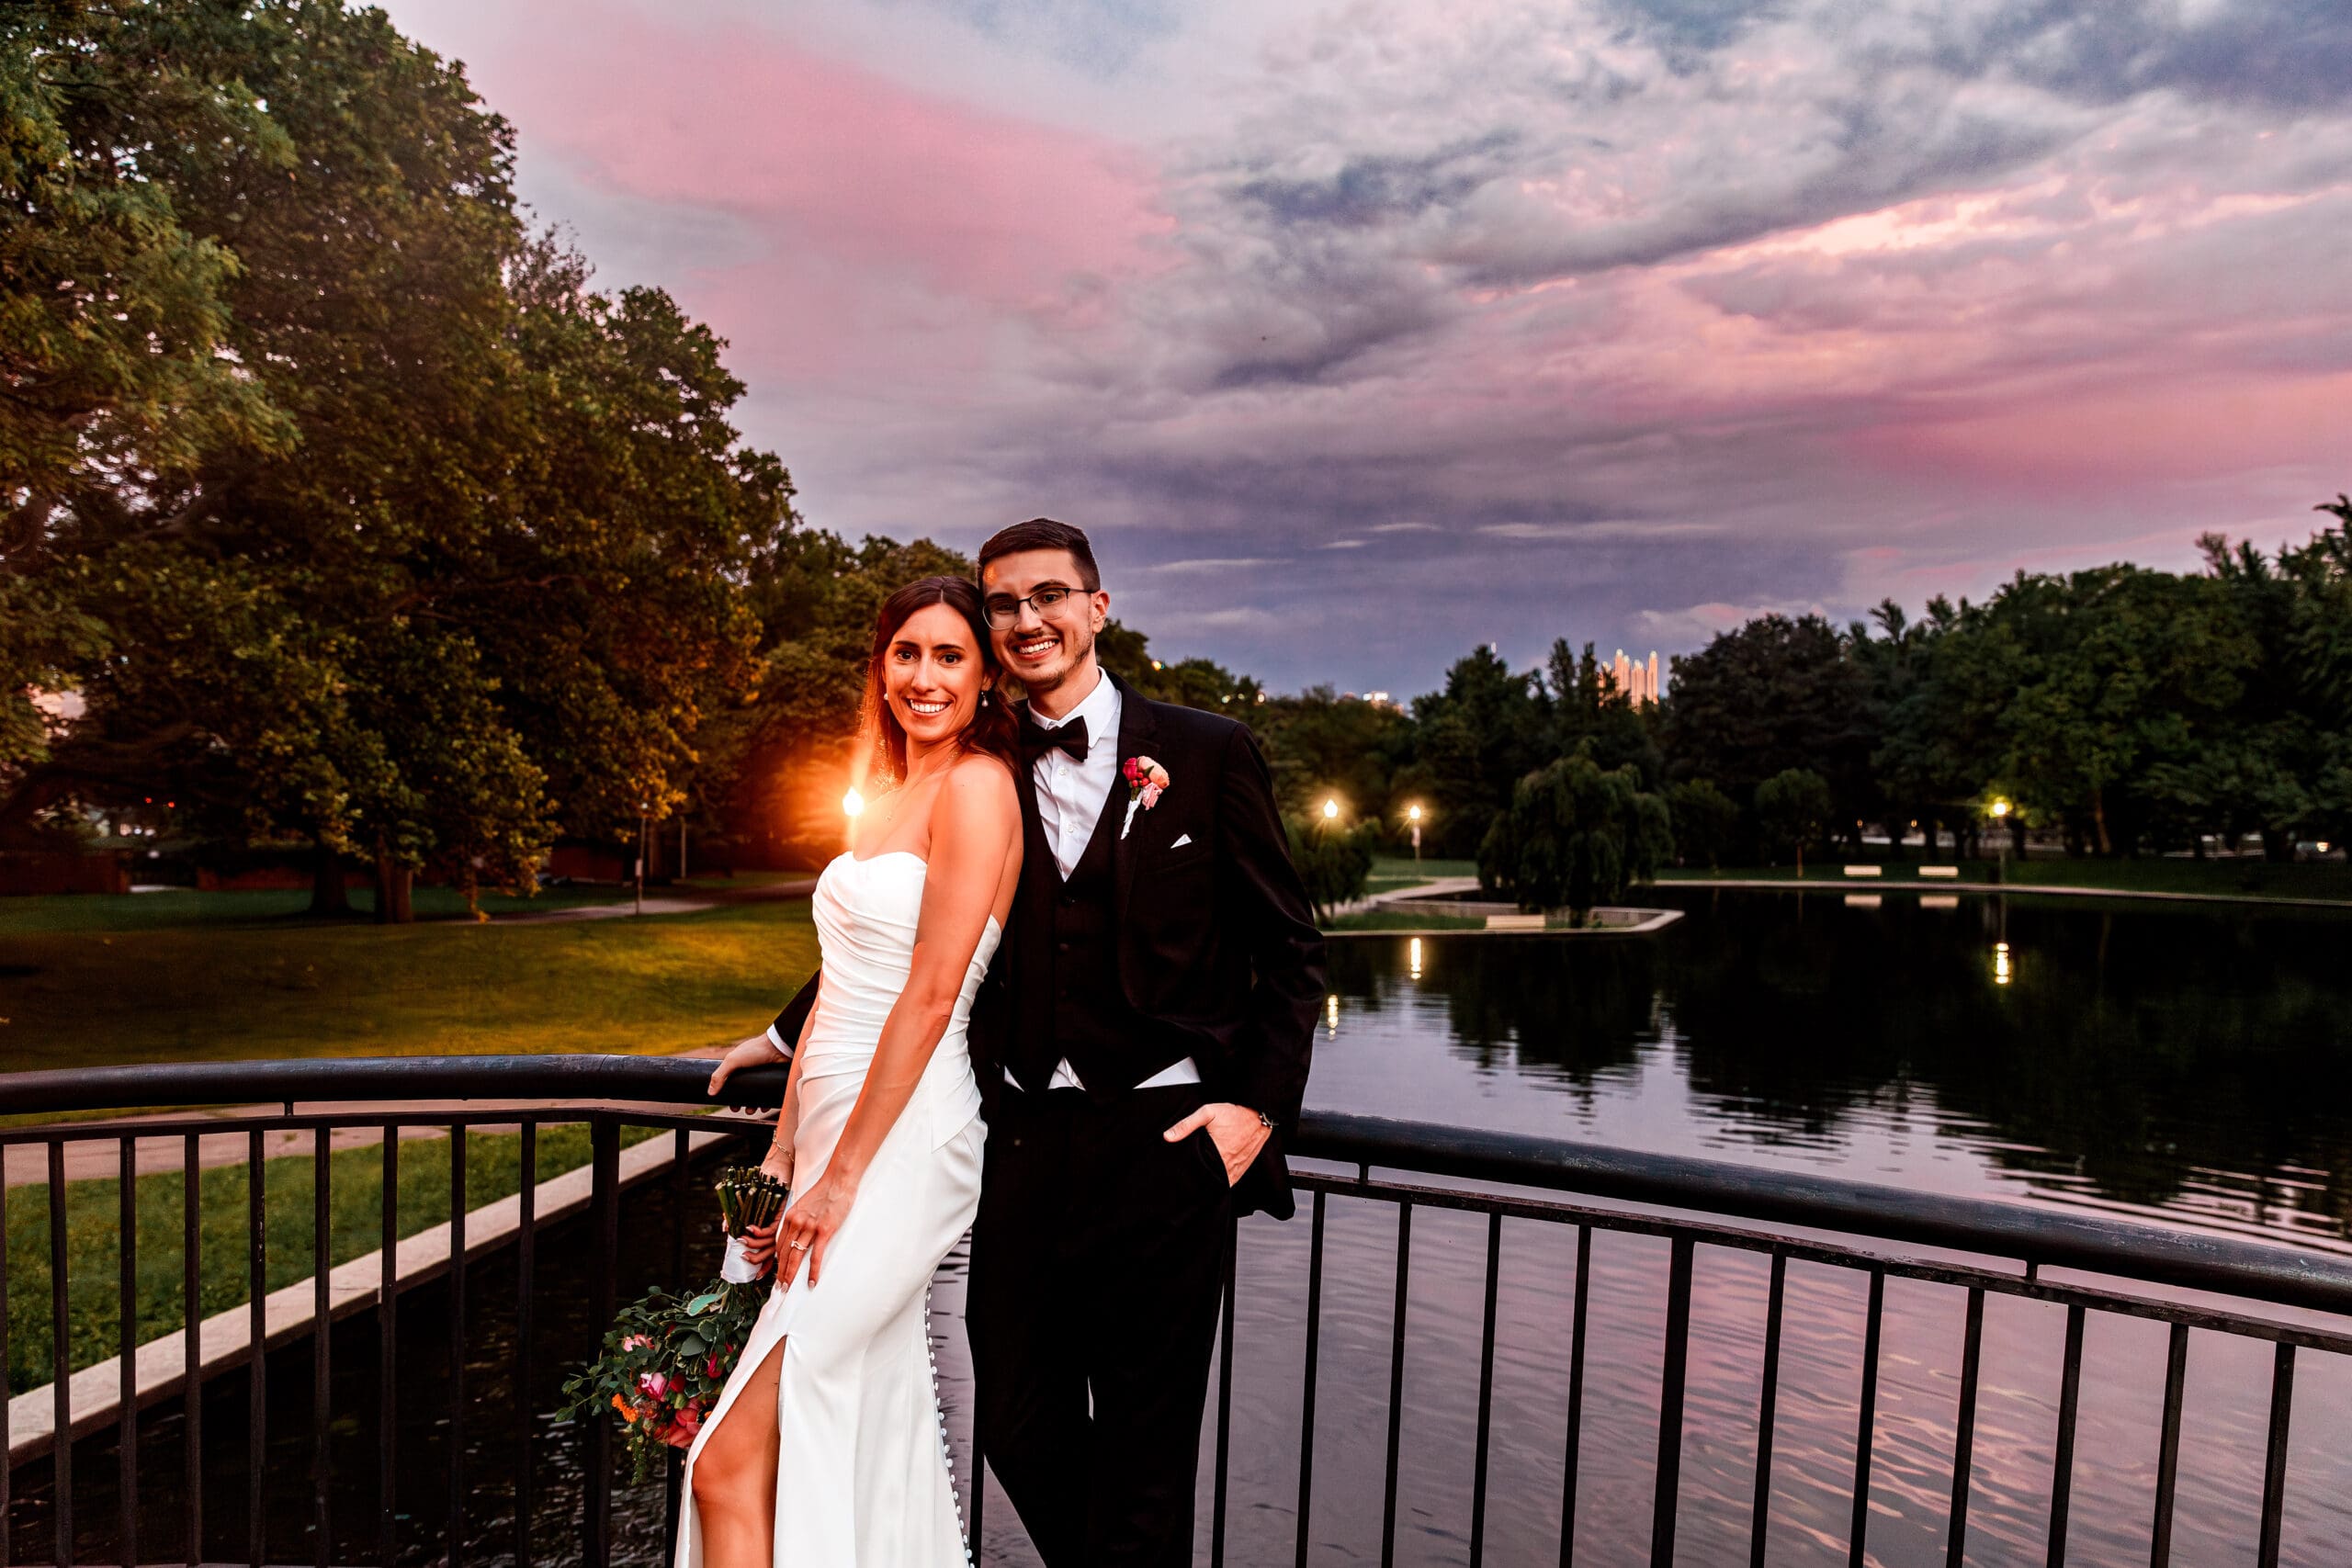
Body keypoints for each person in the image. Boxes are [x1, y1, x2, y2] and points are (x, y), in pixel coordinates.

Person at [682, 575, 1022, 1568]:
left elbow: (925, 996)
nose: (924, 676)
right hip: (832, 1134)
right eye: (906, 653)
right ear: (880, 668)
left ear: (985, 675)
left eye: (949, 656)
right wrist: (786, 1152)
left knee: (726, 1463)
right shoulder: (877, 799)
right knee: (843, 1422)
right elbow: (838, 988)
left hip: (908, 1141)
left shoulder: (977, 787)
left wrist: (840, 1180)